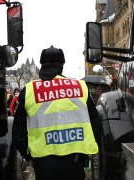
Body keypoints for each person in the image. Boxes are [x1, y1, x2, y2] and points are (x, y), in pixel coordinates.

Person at [12, 45, 102, 180]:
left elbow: (18, 131)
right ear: (62, 65)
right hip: (75, 161)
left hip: (43, 163)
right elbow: (96, 123)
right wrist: (85, 154)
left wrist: (29, 156)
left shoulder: (29, 90)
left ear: (41, 65)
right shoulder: (80, 87)